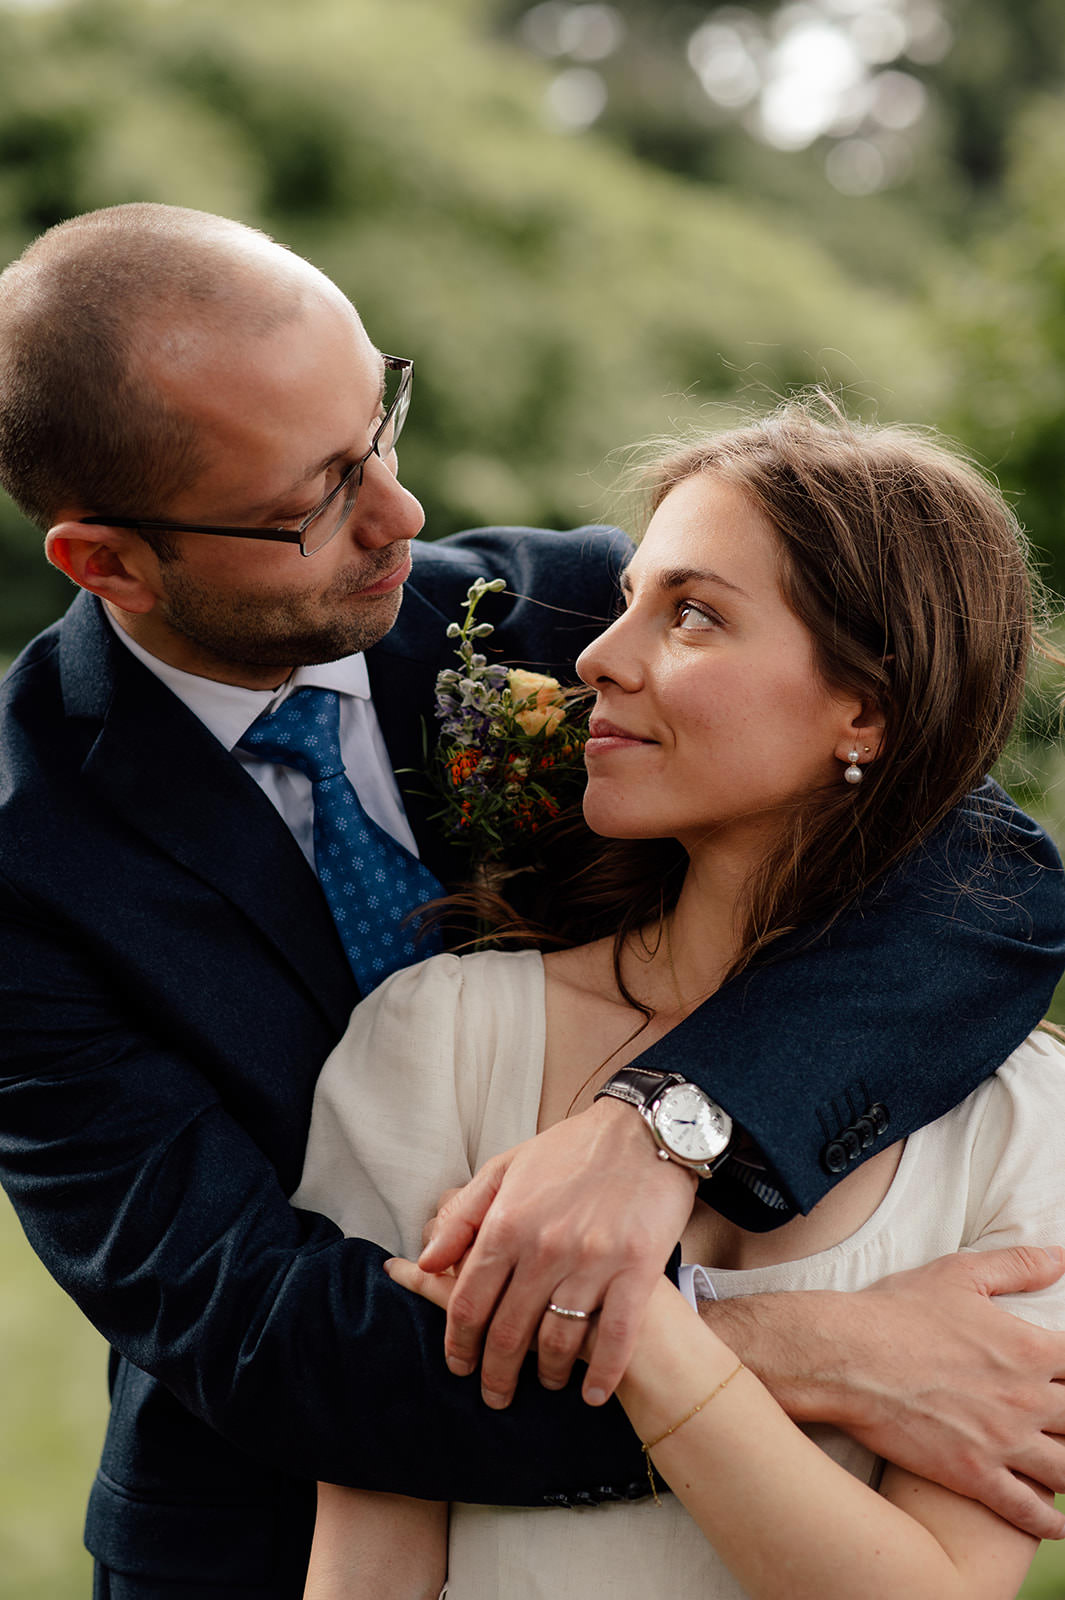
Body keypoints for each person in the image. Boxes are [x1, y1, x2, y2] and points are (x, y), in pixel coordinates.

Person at [0, 203, 1062, 1598]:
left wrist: (657, 1128)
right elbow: (267, 1335)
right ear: (107, 563)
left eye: (376, 420)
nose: (400, 512)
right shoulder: (26, 861)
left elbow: (989, 875)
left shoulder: (553, 622)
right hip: (270, 1542)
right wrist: (799, 1351)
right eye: (310, 500)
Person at [293, 401, 1065, 1598]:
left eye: (693, 614)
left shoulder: (1025, 1117)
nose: (598, 655)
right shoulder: (438, 1035)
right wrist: (773, 1348)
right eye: (630, 599)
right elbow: (372, 1540)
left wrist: (643, 1321)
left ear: (863, 710)